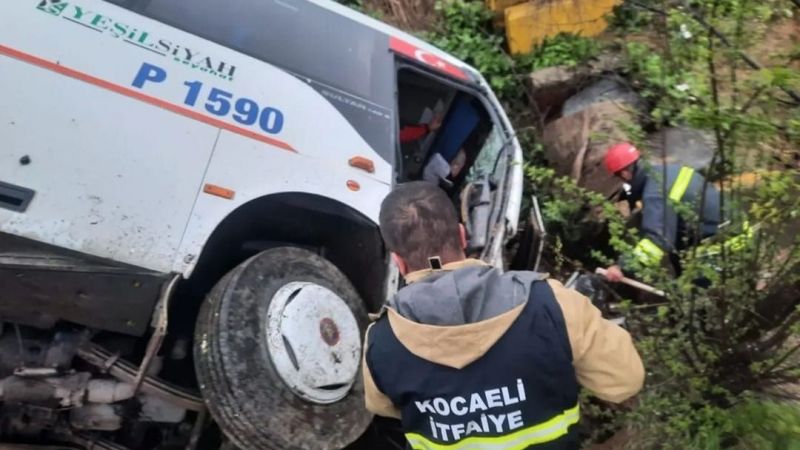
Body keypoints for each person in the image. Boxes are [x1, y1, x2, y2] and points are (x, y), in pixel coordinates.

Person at [363, 181, 644, 449]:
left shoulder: (380, 343)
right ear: (462, 235)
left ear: (398, 261)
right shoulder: (554, 304)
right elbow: (625, 380)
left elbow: (382, 406)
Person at [601, 142, 721, 282]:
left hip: (715, 251)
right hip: (734, 238)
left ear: (625, 173)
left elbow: (657, 241)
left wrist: (622, 267)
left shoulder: (655, 192)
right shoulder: (669, 171)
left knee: (695, 297)